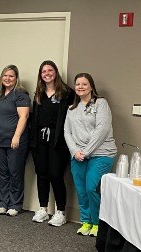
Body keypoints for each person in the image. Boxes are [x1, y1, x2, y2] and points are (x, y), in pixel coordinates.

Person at [64, 73, 117, 237]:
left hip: (101, 154)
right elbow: (67, 132)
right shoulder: (71, 109)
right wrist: (75, 152)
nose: (80, 87)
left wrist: (86, 152)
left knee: (91, 187)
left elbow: (102, 130)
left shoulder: (101, 104)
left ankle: (97, 223)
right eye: (77, 84)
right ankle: (86, 221)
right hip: (78, 155)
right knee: (81, 190)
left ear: (91, 86)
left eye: (84, 84)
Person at [29, 60, 74, 226]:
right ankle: (43, 209)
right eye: (43, 71)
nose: (46, 73)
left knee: (56, 175)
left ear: (56, 72)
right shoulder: (39, 93)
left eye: (50, 70)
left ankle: (60, 211)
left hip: (58, 141)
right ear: (40, 75)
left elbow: (71, 119)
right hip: (39, 140)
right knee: (42, 174)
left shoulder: (67, 93)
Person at [0, 65, 30, 216]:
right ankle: (3, 203)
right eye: (5, 75)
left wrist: (16, 136)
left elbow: (23, 117)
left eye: (11, 76)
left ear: (16, 78)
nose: (7, 78)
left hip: (15, 141)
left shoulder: (20, 94)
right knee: (3, 172)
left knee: (15, 172)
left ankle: (15, 204)